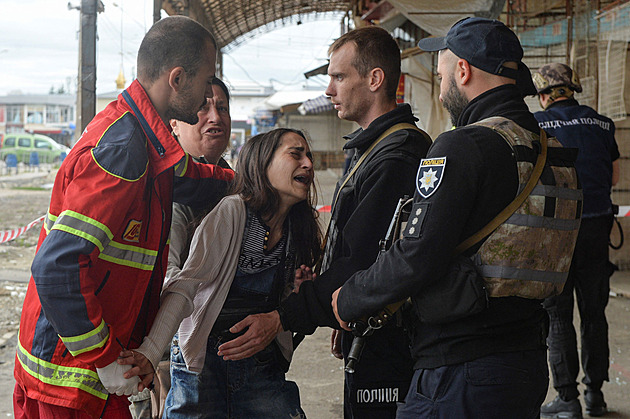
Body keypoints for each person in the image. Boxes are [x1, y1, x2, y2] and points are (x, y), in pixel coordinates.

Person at [331, 17, 583, 418]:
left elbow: (416, 254)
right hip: (526, 364)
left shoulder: (463, 146)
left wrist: (350, 297)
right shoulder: (555, 153)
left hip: (459, 372)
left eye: (442, 68)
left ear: (462, 70)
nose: (440, 77)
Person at [13, 16, 234, 419]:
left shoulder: (147, 141)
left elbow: (188, 178)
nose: (207, 98)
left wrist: (239, 180)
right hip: (70, 379)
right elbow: (56, 266)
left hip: (83, 372)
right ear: (178, 78)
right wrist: (105, 358)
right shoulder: (123, 150)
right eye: (206, 82)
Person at [217, 26, 432, 418]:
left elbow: (363, 259)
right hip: (368, 324)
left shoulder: (397, 156)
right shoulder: (373, 148)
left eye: (338, 77)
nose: (329, 90)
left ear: (374, 79)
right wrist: (342, 308)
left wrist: (287, 315)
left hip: (392, 337)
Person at [120, 128, 321, 418]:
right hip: (204, 365)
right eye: (296, 154)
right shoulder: (232, 212)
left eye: (309, 156)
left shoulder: (299, 229)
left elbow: (284, 319)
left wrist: (295, 296)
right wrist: (151, 352)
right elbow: (185, 284)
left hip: (261, 366)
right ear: (263, 163)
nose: (308, 165)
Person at [128, 76, 233, 419]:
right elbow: (168, 280)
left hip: (225, 358)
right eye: (203, 107)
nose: (215, 117)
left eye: (222, 108)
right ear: (175, 120)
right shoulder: (167, 191)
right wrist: (159, 357)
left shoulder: (235, 186)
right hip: (166, 362)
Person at [533, 63, 620, 419]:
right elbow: (613, 175)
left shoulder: (537, 125)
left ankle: (567, 399)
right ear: (571, 90)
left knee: (558, 315)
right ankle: (594, 396)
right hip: (598, 227)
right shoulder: (602, 123)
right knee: (594, 313)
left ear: (543, 95)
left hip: (557, 233)